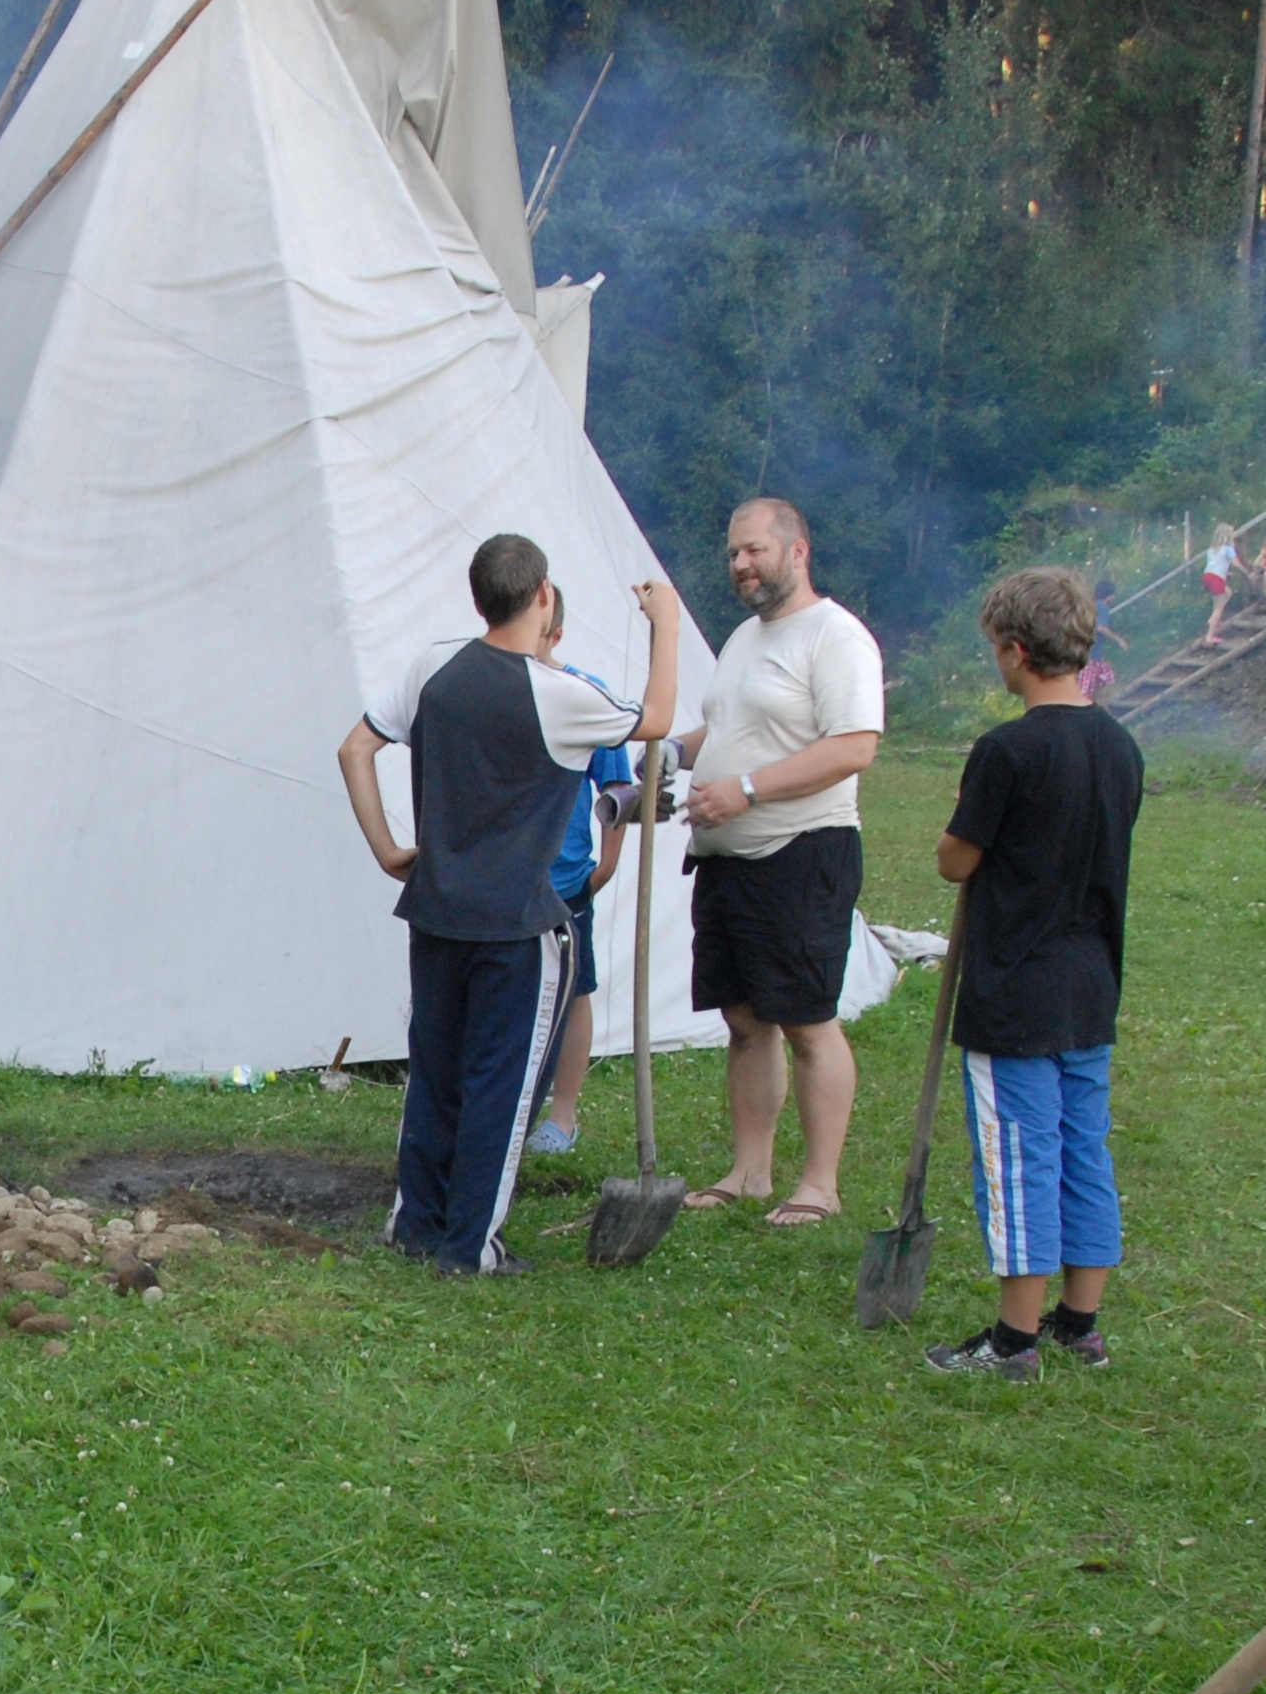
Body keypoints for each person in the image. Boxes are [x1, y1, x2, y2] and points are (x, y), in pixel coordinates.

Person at [338, 537, 682, 1275]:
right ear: (544, 596)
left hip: (435, 912)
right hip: (518, 925)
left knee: (435, 1072)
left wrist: (387, 849)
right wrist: (669, 622)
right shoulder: (561, 694)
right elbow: (656, 716)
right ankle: (470, 1247)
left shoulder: (433, 666)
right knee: (501, 1081)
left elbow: (354, 749)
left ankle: (417, 1225)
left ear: (478, 599)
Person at [925, 569, 1143, 1380]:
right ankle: (1079, 1323)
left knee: (1019, 1158)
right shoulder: (1120, 746)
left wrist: (965, 819)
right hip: (1091, 982)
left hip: (1015, 989)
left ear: (1015, 652)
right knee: (1084, 1149)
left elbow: (957, 859)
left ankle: (1014, 1341)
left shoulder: (1007, 749)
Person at [670, 498, 886, 1227]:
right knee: (743, 1018)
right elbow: (728, 728)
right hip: (728, 857)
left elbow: (854, 745)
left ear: (798, 551)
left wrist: (748, 790)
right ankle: (749, 1172)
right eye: (734, 553)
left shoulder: (835, 637)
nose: (740, 565)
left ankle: (819, 1186)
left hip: (802, 851)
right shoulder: (745, 637)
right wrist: (667, 752)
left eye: (755, 550)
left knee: (806, 1020)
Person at [526, 724, 639, 1157]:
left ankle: (563, 1117)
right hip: (499, 876)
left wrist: (606, 867)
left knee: (574, 992)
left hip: (565, 881)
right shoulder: (487, 692)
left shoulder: (590, 701)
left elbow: (618, 788)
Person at [1199, 530, 1240, 644]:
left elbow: (1216, 564)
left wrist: (1227, 573)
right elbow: (1236, 563)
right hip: (1217, 579)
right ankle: (1210, 636)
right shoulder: (1228, 548)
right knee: (1218, 609)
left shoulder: (1212, 549)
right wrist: (1245, 570)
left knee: (1227, 593)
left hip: (1207, 576)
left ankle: (1214, 619)